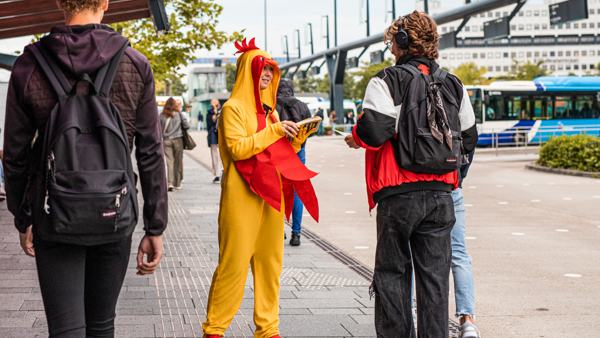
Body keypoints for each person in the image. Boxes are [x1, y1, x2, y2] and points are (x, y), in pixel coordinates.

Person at [3, 0, 168, 337]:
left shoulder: (28, 66)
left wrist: (24, 217)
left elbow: (15, 156)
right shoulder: (135, 64)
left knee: (66, 330)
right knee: (101, 325)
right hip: (115, 214)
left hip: (53, 216)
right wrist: (155, 227)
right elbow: (151, 154)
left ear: (60, 2)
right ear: (105, 3)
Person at [344, 11, 478, 338]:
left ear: (403, 41)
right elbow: (470, 138)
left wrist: (355, 137)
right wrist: (451, 179)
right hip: (441, 196)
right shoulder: (454, 84)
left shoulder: (388, 79)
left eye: (393, 41)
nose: (391, 49)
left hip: (397, 192)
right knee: (435, 280)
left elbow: (375, 130)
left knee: (392, 275)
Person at [202, 38, 318, 338]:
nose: (267, 74)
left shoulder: (271, 113)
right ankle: (214, 330)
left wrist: (295, 138)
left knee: (270, 267)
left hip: (271, 196)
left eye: (271, 69)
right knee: (233, 265)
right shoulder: (232, 110)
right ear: (247, 71)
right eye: (262, 68)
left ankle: (268, 330)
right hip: (241, 198)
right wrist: (276, 130)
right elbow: (239, 149)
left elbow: (275, 151)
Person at [276, 78, 312, 246]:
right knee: (297, 190)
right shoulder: (302, 106)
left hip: (277, 152)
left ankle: (278, 228)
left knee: (277, 188)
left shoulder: (272, 104)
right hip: (299, 152)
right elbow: (310, 128)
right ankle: (296, 233)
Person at [160, 97, 190, 191]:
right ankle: (177, 184)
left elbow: (158, 129)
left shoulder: (161, 115)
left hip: (166, 140)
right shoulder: (179, 114)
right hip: (178, 140)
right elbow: (187, 126)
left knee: (170, 162)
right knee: (178, 161)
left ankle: (170, 183)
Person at [206, 98, 221, 183]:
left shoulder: (209, 113)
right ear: (218, 104)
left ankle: (217, 175)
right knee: (221, 156)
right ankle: (221, 173)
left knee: (214, 156)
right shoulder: (221, 112)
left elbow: (208, 126)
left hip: (213, 136)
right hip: (220, 136)